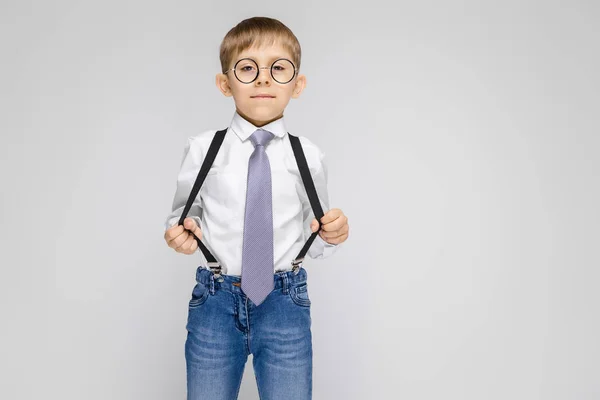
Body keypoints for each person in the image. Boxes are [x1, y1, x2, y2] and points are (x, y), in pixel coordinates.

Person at [163, 16, 349, 400]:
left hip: (285, 301)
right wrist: (180, 234)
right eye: (248, 68)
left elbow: (316, 233)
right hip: (215, 301)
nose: (263, 79)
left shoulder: (308, 155)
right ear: (224, 83)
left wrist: (333, 232)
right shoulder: (202, 148)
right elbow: (184, 215)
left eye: (278, 69)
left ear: (297, 85)